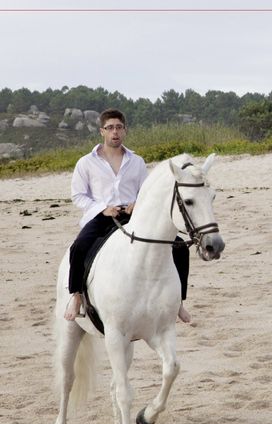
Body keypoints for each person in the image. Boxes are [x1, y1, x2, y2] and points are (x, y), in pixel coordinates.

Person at [64, 108, 192, 323]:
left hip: (132, 215)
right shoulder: (86, 162)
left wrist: (137, 203)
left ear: (125, 130)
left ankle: (178, 302)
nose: (115, 132)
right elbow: (78, 196)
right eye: (110, 128)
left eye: (119, 127)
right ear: (102, 131)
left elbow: (146, 191)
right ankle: (76, 296)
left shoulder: (137, 161)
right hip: (101, 216)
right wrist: (103, 208)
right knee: (79, 247)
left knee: (179, 248)